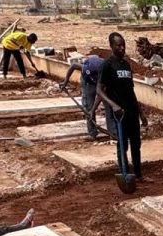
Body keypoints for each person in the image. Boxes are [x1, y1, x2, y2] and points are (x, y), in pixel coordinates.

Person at [95, 32, 147, 180]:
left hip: (131, 111)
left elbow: (131, 91)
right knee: (122, 145)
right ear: (111, 46)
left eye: (123, 45)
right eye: (118, 45)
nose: (122, 48)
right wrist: (113, 105)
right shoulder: (107, 65)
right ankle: (125, 175)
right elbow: (99, 90)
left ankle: (138, 175)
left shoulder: (126, 64)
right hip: (119, 113)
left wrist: (141, 113)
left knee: (136, 144)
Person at [62, 46, 106, 140]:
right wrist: (65, 81)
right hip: (87, 83)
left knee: (109, 104)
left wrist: (94, 109)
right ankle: (92, 132)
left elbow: (100, 94)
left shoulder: (106, 71)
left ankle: (113, 131)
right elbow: (73, 66)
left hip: (102, 80)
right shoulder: (86, 68)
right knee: (88, 106)